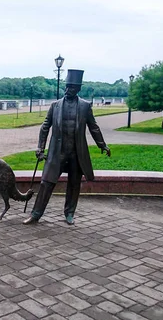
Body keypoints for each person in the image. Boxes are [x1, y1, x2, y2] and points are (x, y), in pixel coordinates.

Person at [23, 69, 111, 226]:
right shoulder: (55, 106)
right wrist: (40, 147)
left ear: (78, 89)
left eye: (72, 87)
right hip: (57, 152)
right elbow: (45, 127)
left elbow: (94, 127)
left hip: (76, 153)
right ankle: (36, 214)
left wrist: (102, 145)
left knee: (74, 184)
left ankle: (69, 213)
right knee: (46, 182)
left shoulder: (85, 106)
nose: (68, 89)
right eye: (67, 86)